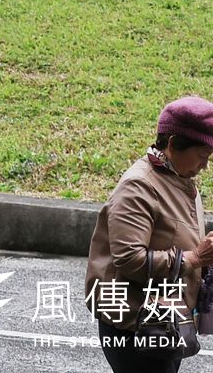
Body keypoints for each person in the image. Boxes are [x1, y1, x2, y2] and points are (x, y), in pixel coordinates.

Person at [86, 96, 213, 372]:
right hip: (135, 326)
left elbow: (175, 234)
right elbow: (129, 259)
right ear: (172, 144)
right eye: (202, 155)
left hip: (165, 320)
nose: (205, 165)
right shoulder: (139, 187)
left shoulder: (179, 179)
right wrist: (192, 258)